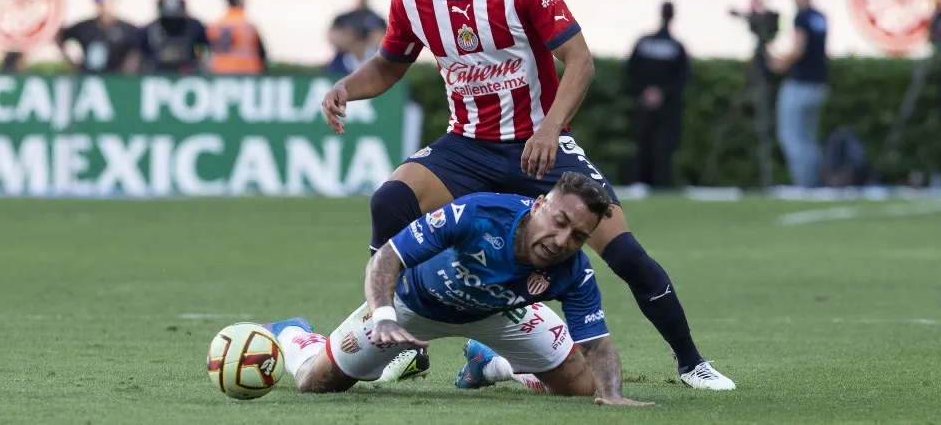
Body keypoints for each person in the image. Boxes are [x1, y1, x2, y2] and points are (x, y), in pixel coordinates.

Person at [320, 0, 735, 390]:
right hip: (466, 146)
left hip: (541, 147)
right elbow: (389, 65)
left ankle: (691, 362)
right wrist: (346, 87)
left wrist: (549, 128)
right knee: (390, 199)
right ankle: (393, 332)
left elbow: (580, 61)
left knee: (625, 254)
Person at [264, 173, 652, 406]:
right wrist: (383, 315)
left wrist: (614, 395)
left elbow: (597, 343)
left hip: (502, 314)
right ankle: (295, 334)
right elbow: (387, 257)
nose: (562, 239)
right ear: (538, 206)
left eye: (578, 235)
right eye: (560, 221)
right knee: (316, 384)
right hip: (410, 308)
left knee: (582, 387)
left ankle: (493, 363)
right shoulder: (477, 214)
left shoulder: (575, 269)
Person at [770, 0, 829, 188]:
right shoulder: (820, 17)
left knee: (791, 137)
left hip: (800, 83)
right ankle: (814, 181)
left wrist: (779, 63)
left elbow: (798, 48)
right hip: (819, 83)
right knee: (809, 139)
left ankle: (803, 183)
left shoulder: (802, 17)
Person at [626, 1, 691, 188]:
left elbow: (631, 70)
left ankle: (654, 183)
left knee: (658, 144)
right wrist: (655, 93)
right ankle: (649, 182)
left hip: (661, 104)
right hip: (657, 104)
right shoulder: (675, 45)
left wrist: (650, 92)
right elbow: (683, 77)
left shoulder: (648, 42)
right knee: (649, 143)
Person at [55, 0, 142, 74]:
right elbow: (61, 36)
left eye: (109, 4)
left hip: (116, 77)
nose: (105, 8)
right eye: (101, 4)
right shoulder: (84, 27)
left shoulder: (127, 29)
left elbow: (137, 50)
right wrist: (72, 63)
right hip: (89, 76)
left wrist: (127, 70)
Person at [207, 0, 268, 75]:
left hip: (220, 71)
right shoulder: (247, 25)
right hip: (246, 73)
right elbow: (262, 53)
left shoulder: (216, 24)